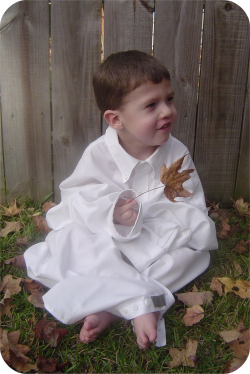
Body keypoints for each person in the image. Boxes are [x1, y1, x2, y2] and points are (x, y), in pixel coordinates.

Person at [24, 50, 218, 350]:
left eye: (169, 99)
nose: (166, 111)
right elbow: (77, 198)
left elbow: (189, 209)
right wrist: (111, 213)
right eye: (151, 105)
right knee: (69, 242)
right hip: (108, 240)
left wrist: (152, 225)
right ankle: (140, 302)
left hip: (159, 238)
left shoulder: (175, 152)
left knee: (191, 255)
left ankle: (109, 305)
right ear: (116, 119)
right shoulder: (98, 153)